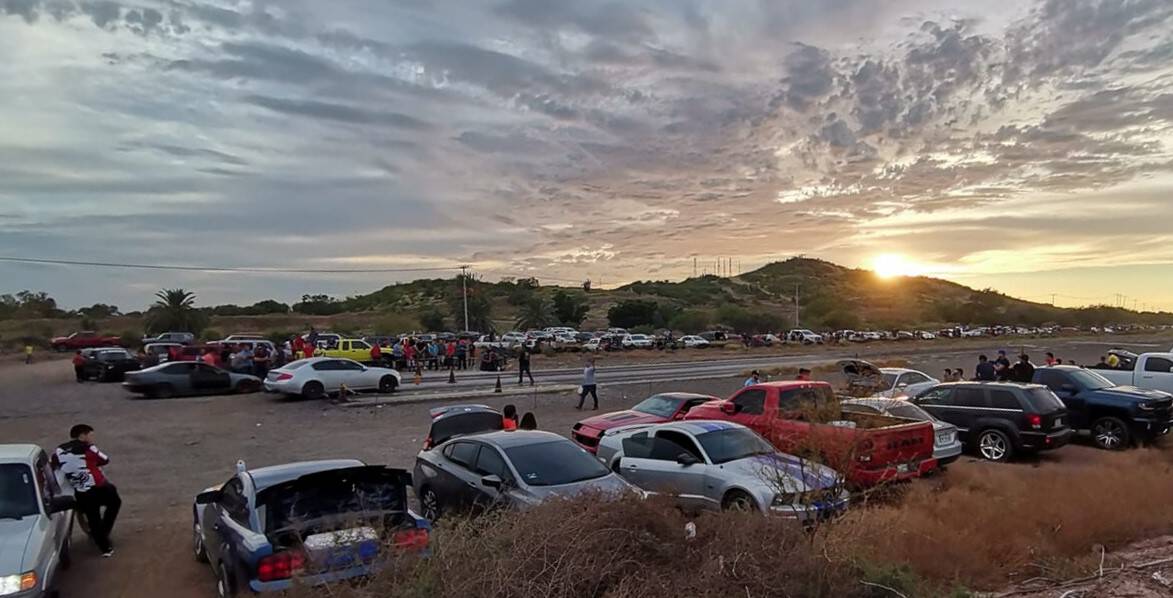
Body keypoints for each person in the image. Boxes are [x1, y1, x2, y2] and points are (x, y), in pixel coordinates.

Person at [53, 424, 121, 557]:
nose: (92, 438)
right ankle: (104, 532)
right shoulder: (89, 448)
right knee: (115, 503)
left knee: (92, 516)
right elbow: (104, 459)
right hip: (97, 486)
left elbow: (53, 463)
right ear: (82, 435)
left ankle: (105, 548)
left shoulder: (59, 450)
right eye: (90, 435)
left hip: (80, 490)